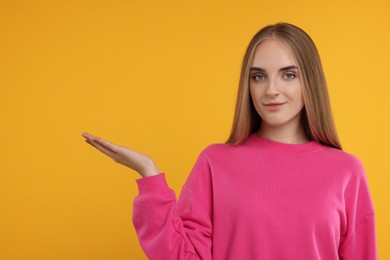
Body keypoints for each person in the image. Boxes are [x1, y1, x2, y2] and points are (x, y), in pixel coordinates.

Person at [81, 22, 377, 259]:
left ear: (310, 81)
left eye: (288, 75)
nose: (271, 90)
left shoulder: (346, 171)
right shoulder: (215, 162)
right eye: (258, 77)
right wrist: (150, 175)